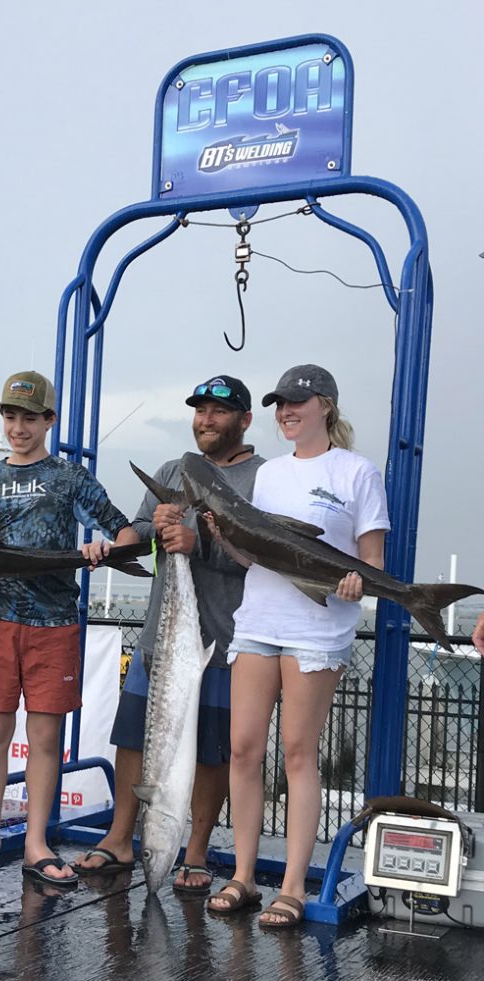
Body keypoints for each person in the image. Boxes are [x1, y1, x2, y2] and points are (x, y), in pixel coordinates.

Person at [207, 365, 390, 927]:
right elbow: (254, 557)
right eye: (280, 404)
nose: (286, 411)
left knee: (296, 753)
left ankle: (291, 886)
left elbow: (373, 564)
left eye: (297, 402)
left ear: (326, 407)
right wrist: (224, 536)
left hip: (316, 626)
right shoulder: (268, 475)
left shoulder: (358, 472)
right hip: (258, 619)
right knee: (242, 749)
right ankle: (242, 875)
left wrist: (359, 584)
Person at [72, 374, 263, 895]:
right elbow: (139, 531)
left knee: (210, 752)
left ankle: (195, 850)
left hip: (222, 643)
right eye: (201, 410)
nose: (206, 419)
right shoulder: (171, 471)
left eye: (219, 412)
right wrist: (114, 544)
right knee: (133, 738)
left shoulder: (262, 479)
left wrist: (195, 542)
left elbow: (260, 558)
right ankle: (119, 839)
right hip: (161, 637)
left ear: (244, 420)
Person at [0, 370, 138, 886]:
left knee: (45, 737)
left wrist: (106, 549)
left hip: (54, 622)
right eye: (10, 416)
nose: (18, 427)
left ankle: (36, 842)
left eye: (29, 418)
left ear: (49, 420)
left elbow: (122, 530)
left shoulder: (70, 477)